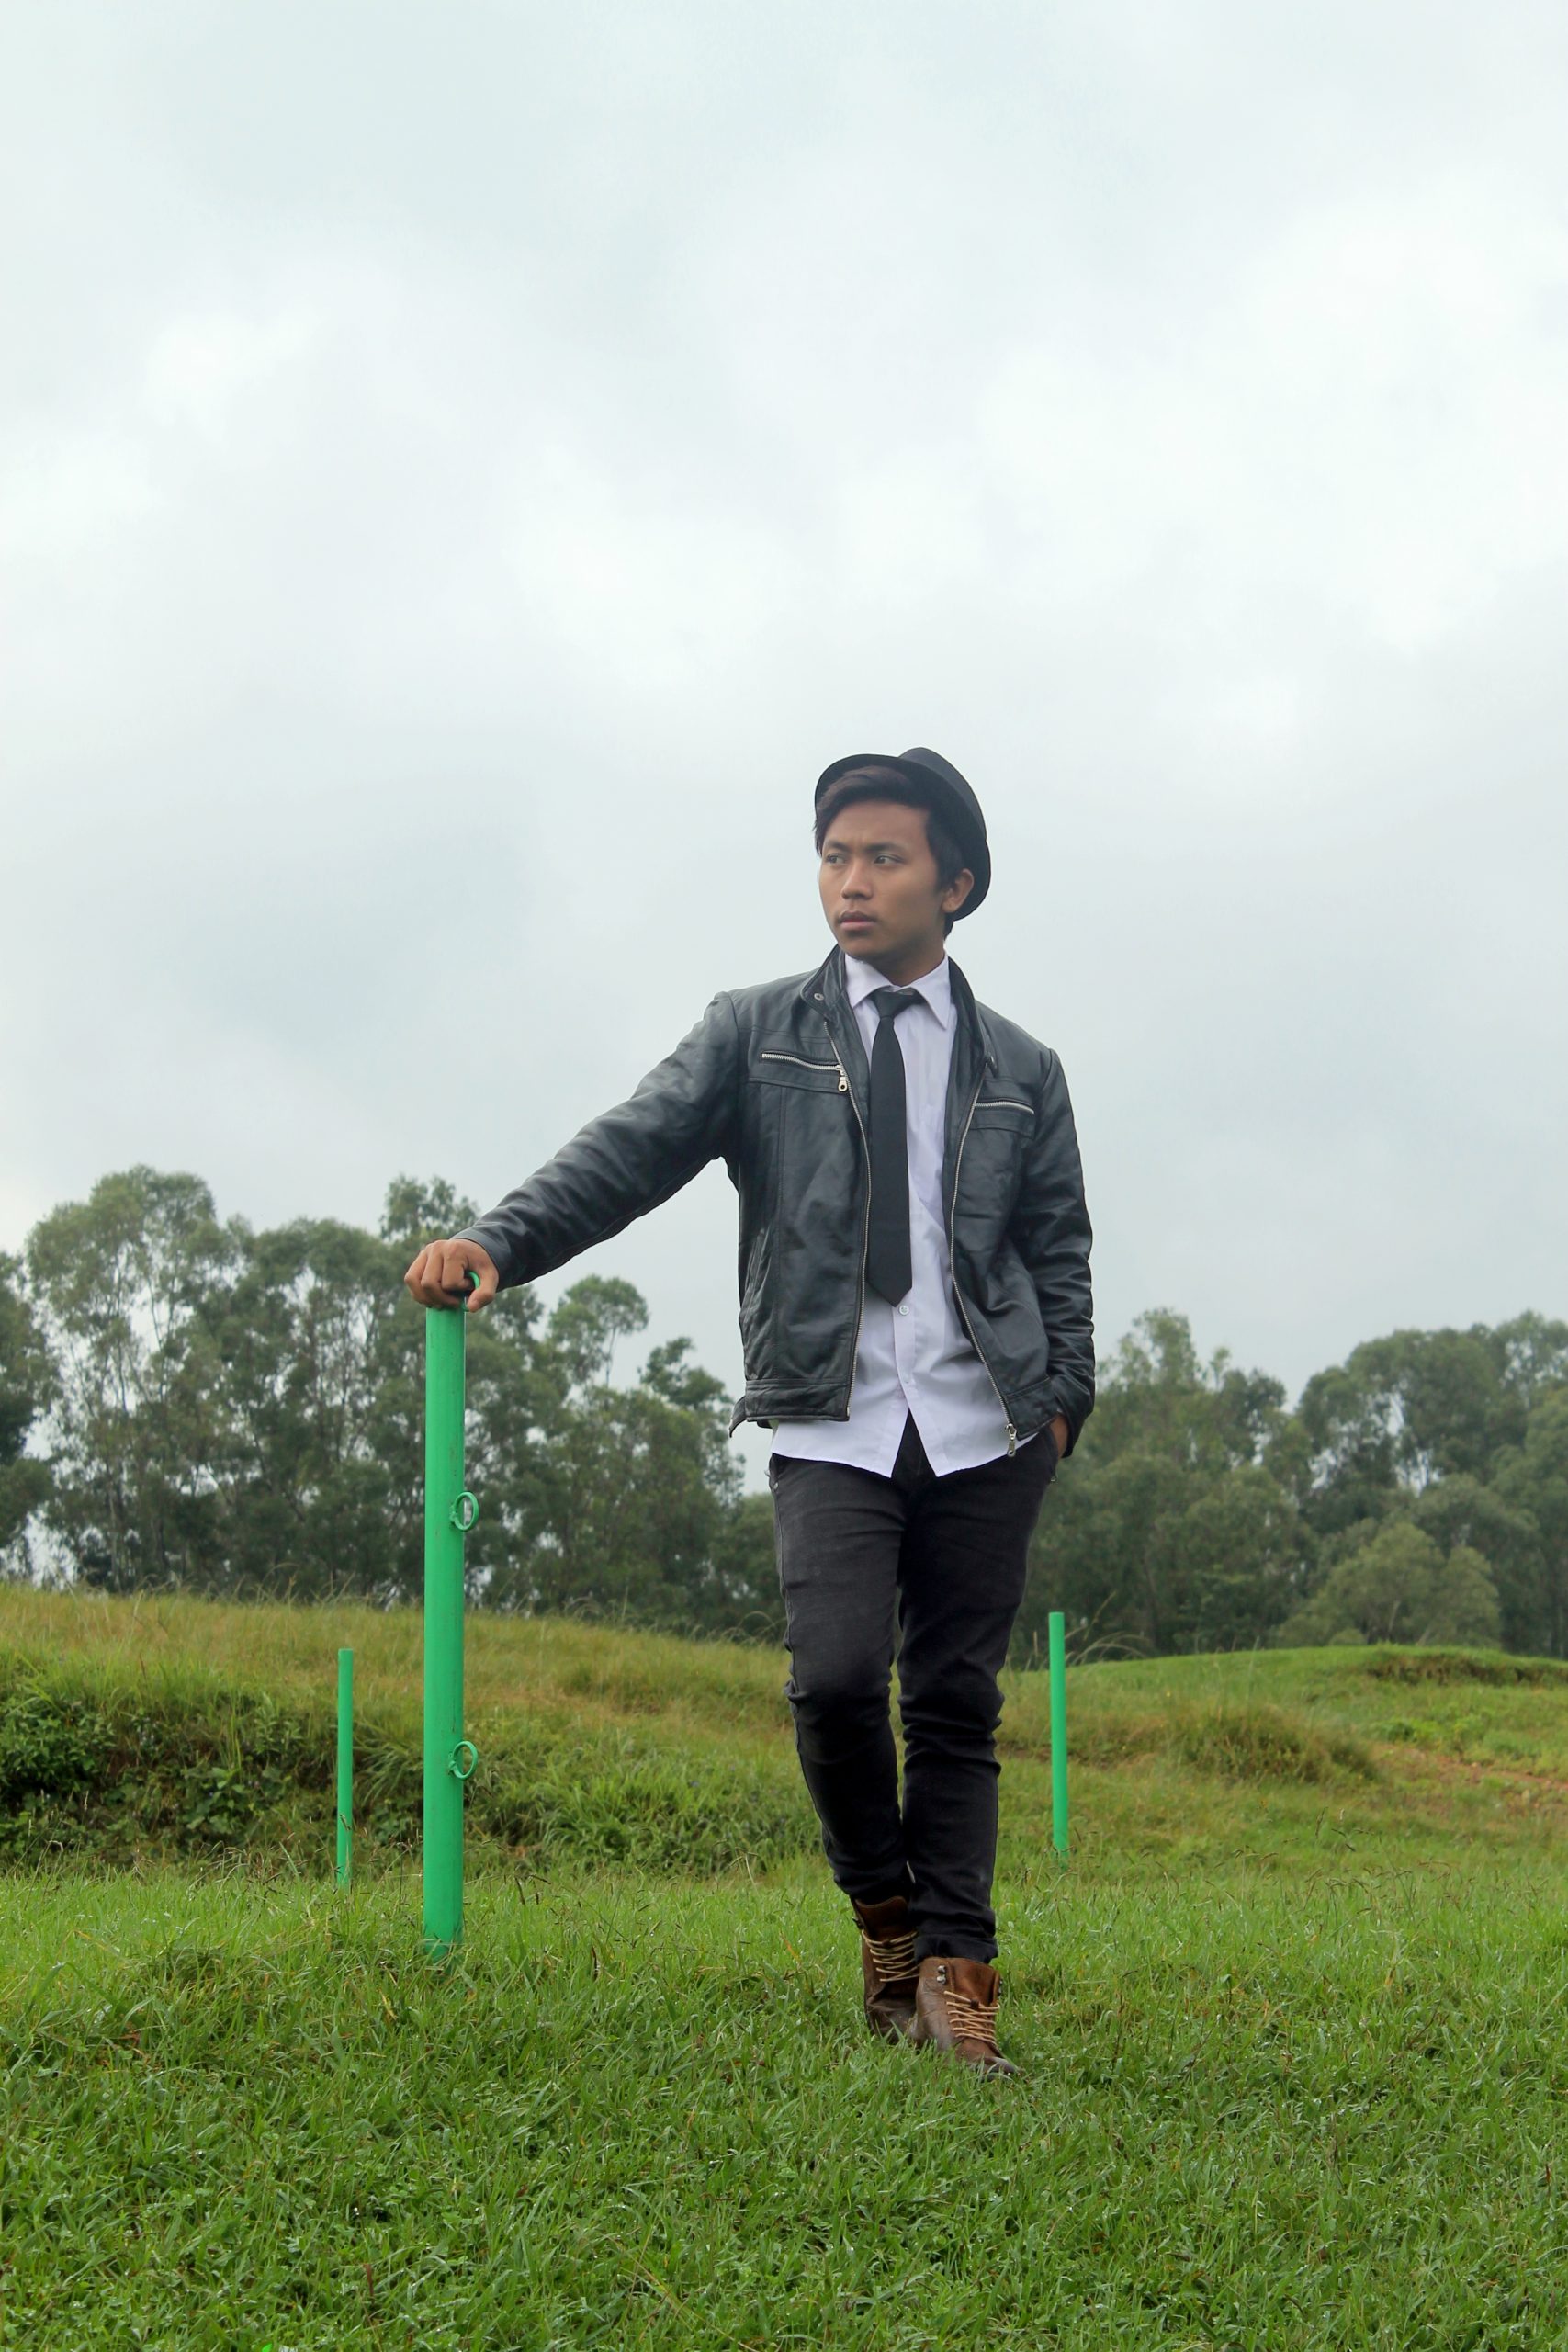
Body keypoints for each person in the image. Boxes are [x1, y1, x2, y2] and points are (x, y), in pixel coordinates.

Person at [404, 748, 1094, 2075]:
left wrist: (1062, 1401)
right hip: (829, 1418)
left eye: (884, 858)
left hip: (984, 1425)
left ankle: (960, 1988)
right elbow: (628, 1149)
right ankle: (886, 1921)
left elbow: (1058, 1245)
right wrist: (500, 1242)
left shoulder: (1021, 1065)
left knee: (954, 1701)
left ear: (956, 882)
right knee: (834, 1684)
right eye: (835, 856)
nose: (852, 882)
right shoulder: (758, 1032)